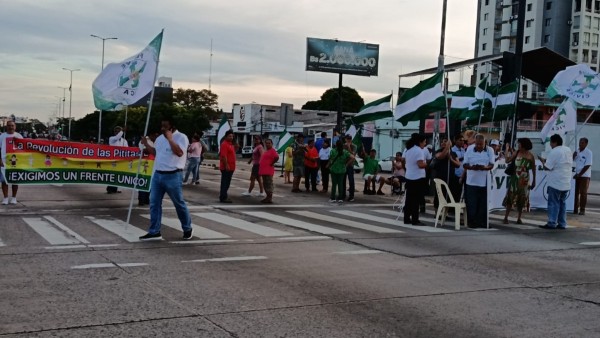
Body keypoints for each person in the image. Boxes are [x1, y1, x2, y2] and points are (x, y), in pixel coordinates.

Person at [138, 117, 192, 241]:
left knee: (179, 203)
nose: (162, 129)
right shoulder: (159, 139)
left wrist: (170, 139)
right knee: (154, 203)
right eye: (161, 126)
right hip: (158, 174)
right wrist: (146, 144)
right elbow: (156, 153)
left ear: (172, 127)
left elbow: (179, 153)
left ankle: (187, 228)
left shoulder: (181, 137)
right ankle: (154, 231)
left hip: (173, 175)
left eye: (165, 126)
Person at [538, 134, 573, 229]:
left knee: (553, 203)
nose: (550, 145)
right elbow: (560, 163)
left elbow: (548, 167)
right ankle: (562, 223)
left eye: (551, 142)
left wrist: (543, 162)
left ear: (555, 142)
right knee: (562, 203)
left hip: (555, 182)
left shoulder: (554, 151)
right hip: (566, 182)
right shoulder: (568, 150)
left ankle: (552, 222)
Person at [462, 134, 495, 228]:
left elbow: (491, 164)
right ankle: (472, 222)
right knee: (472, 203)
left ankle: (482, 222)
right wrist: (472, 167)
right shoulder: (469, 149)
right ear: (475, 143)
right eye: (477, 144)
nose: (479, 146)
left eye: (481, 144)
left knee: (483, 203)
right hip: (471, 181)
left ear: (485, 143)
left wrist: (485, 167)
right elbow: (465, 164)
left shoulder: (490, 150)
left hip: (484, 181)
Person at [502, 138, 536, 224]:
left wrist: (534, 180)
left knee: (522, 198)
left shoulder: (531, 156)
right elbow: (507, 160)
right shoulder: (516, 152)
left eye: (519, 143)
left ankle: (519, 218)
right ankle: (506, 217)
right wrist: (506, 149)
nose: (518, 145)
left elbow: (533, 169)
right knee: (510, 197)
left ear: (523, 145)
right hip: (515, 178)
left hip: (525, 179)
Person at [403, 133, 428, 225]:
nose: (425, 144)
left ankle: (406, 218)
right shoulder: (419, 151)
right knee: (416, 200)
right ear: (420, 142)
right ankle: (415, 219)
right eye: (424, 142)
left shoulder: (408, 150)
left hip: (409, 176)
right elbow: (420, 165)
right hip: (417, 178)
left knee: (409, 199)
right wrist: (427, 164)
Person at [433, 138, 460, 210]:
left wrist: (451, 159)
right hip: (440, 176)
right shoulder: (438, 151)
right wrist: (447, 148)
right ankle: (437, 211)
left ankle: (446, 212)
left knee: (448, 195)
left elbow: (458, 164)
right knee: (439, 194)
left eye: (445, 141)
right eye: (442, 142)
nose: (443, 143)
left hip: (450, 177)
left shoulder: (453, 153)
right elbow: (440, 156)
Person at [0, 121, 23, 205]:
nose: (11, 127)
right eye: (9, 125)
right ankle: (5, 198)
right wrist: (0, 160)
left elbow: (23, 149)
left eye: (12, 125)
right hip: (4, 162)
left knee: (15, 180)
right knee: (4, 181)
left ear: (15, 127)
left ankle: (14, 198)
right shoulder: (2, 136)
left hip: (16, 163)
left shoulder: (19, 136)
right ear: (6, 127)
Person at [138, 131, 159, 206]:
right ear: (151, 135)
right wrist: (151, 149)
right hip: (145, 164)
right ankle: (141, 200)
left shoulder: (158, 141)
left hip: (154, 165)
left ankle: (147, 199)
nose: (157, 137)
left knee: (150, 183)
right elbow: (142, 150)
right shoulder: (144, 140)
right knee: (143, 182)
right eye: (155, 135)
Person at [573, 137, 593, 215]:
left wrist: (580, 174)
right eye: (580, 142)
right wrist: (573, 156)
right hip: (575, 175)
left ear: (586, 144)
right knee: (575, 192)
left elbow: (587, 165)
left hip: (584, 176)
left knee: (583, 193)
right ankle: (575, 208)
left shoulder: (588, 152)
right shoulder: (577, 151)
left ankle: (582, 209)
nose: (580, 144)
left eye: (582, 143)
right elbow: (573, 162)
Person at [106, 126, 128, 194]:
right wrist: (122, 131)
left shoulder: (124, 141)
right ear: (114, 132)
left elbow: (127, 149)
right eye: (116, 131)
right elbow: (117, 137)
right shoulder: (112, 138)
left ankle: (116, 188)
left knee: (119, 174)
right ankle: (110, 189)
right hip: (113, 160)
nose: (118, 133)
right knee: (112, 174)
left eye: (119, 131)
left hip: (121, 160)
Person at [258, 138, 279, 204]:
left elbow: (276, 157)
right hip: (264, 170)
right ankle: (268, 197)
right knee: (265, 184)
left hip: (268, 170)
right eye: (266, 143)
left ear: (272, 144)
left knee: (268, 184)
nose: (267, 144)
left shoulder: (272, 150)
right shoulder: (266, 150)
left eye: (269, 143)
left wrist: (272, 163)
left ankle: (269, 198)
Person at [219, 130, 236, 203]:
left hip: (232, 167)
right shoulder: (224, 144)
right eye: (229, 136)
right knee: (225, 182)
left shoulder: (231, 144)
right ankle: (223, 197)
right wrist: (226, 165)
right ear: (226, 136)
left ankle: (224, 195)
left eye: (232, 136)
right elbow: (223, 156)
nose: (231, 137)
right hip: (226, 167)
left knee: (227, 182)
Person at [341, 134, 357, 202]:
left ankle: (351, 196)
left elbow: (353, 155)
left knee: (351, 180)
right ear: (345, 139)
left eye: (350, 139)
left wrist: (349, 147)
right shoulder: (343, 146)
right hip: (344, 165)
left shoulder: (354, 146)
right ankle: (343, 194)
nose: (348, 140)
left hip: (350, 165)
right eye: (347, 139)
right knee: (343, 180)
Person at [450, 134, 466, 202]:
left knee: (460, 193)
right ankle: (453, 209)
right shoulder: (452, 150)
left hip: (463, 174)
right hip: (455, 174)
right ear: (455, 141)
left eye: (463, 140)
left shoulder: (463, 150)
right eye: (460, 140)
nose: (462, 142)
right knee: (454, 192)